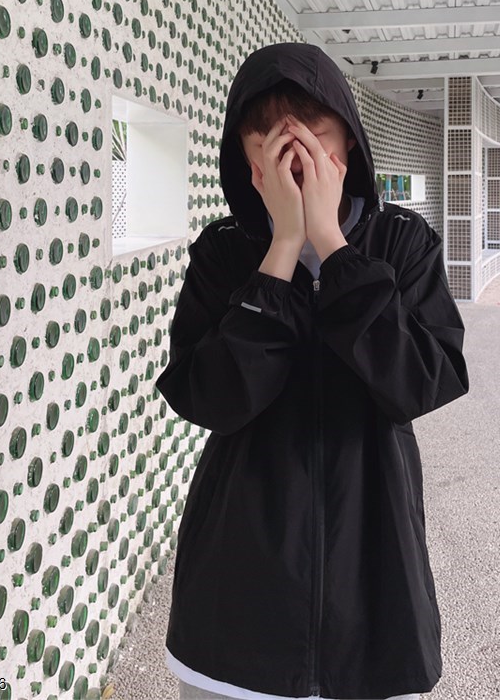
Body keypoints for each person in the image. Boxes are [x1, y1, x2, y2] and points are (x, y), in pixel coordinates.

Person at [155, 42, 469, 700]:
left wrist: (333, 245)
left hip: (374, 560)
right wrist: (282, 251)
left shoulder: (403, 243)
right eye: (269, 140)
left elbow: (419, 381)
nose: (294, 157)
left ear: (349, 141)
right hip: (240, 568)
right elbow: (209, 398)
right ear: (245, 159)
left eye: (313, 134)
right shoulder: (224, 252)